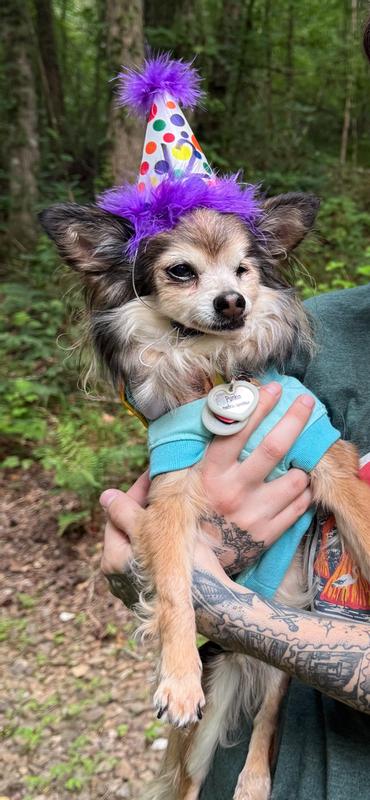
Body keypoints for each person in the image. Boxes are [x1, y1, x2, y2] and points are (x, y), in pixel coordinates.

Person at [100, 24, 370, 800]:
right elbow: (157, 521)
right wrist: (156, 564)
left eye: (242, 270)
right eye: (187, 272)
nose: (230, 294)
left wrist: (221, 595)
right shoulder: (297, 345)